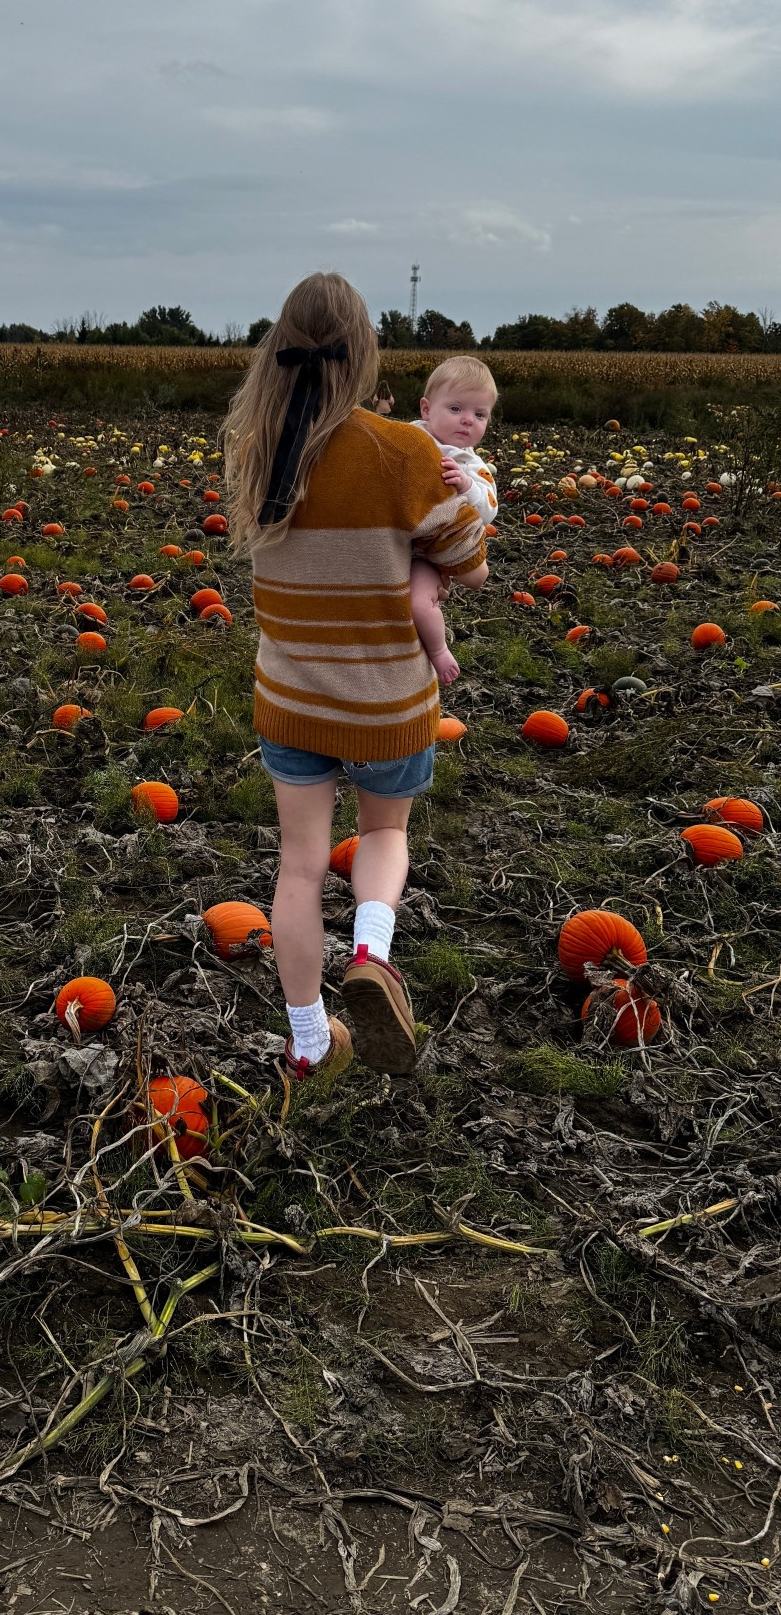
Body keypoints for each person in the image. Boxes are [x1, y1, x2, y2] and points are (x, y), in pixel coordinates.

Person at [221, 273, 489, 1083]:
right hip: (387, 705)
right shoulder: (406, 451)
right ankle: (373, 949)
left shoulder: (254, 446)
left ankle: (309, 1042)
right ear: (365, 355)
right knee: (383, 833)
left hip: (294, 702)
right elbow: (467, 566)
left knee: (299, 868)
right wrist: (471, 501)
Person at [408, 357, 499, 688]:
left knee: (419, 603)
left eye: (479, 414)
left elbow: (488, 510)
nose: (467, 421)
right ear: (426, 409)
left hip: (426, 557)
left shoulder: (471, 465)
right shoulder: (407, 439)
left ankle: (439, 651)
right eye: (456, 408)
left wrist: (466, 486)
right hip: (392, 542)